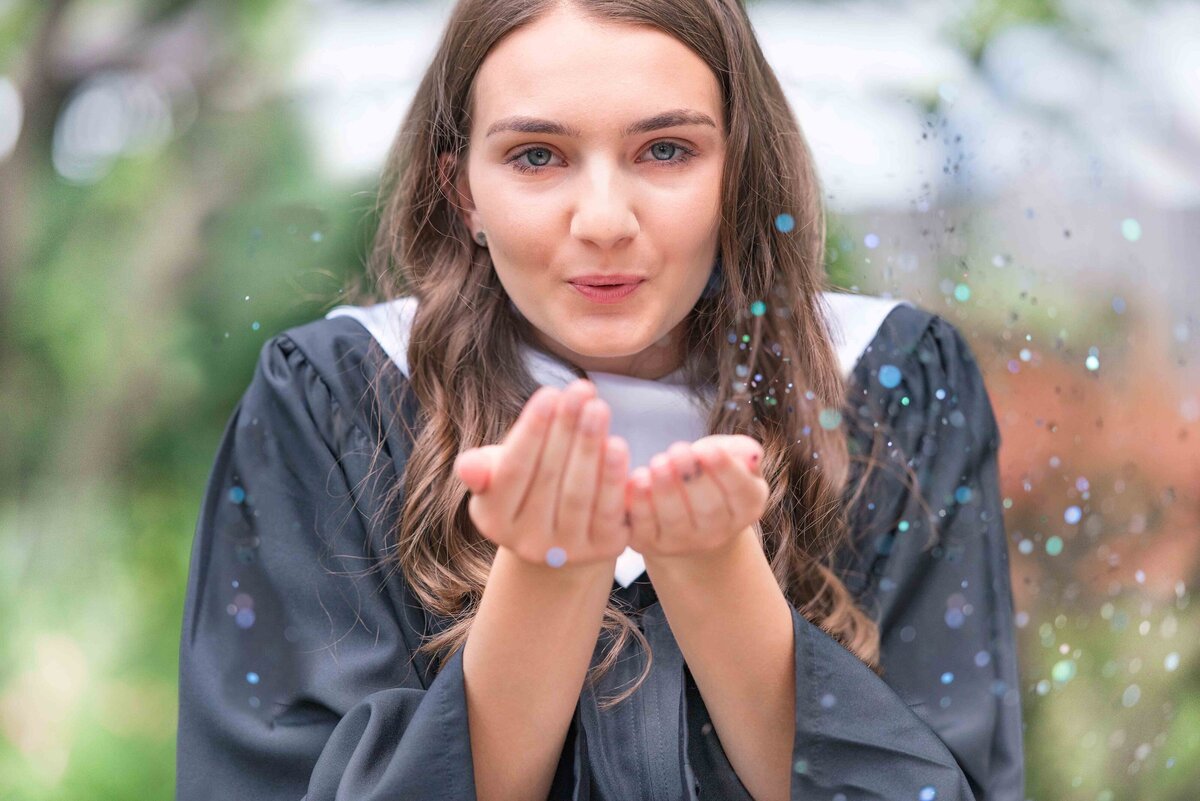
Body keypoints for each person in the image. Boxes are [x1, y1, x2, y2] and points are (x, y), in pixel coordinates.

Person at [174, 1, 1025, 799]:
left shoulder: (888, 384)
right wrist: (548, 578)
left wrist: (715, 571)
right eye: (536, 156)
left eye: (666, 151)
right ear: (462, 190)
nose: (605, 219)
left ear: (740, 169)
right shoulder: (340, 403)